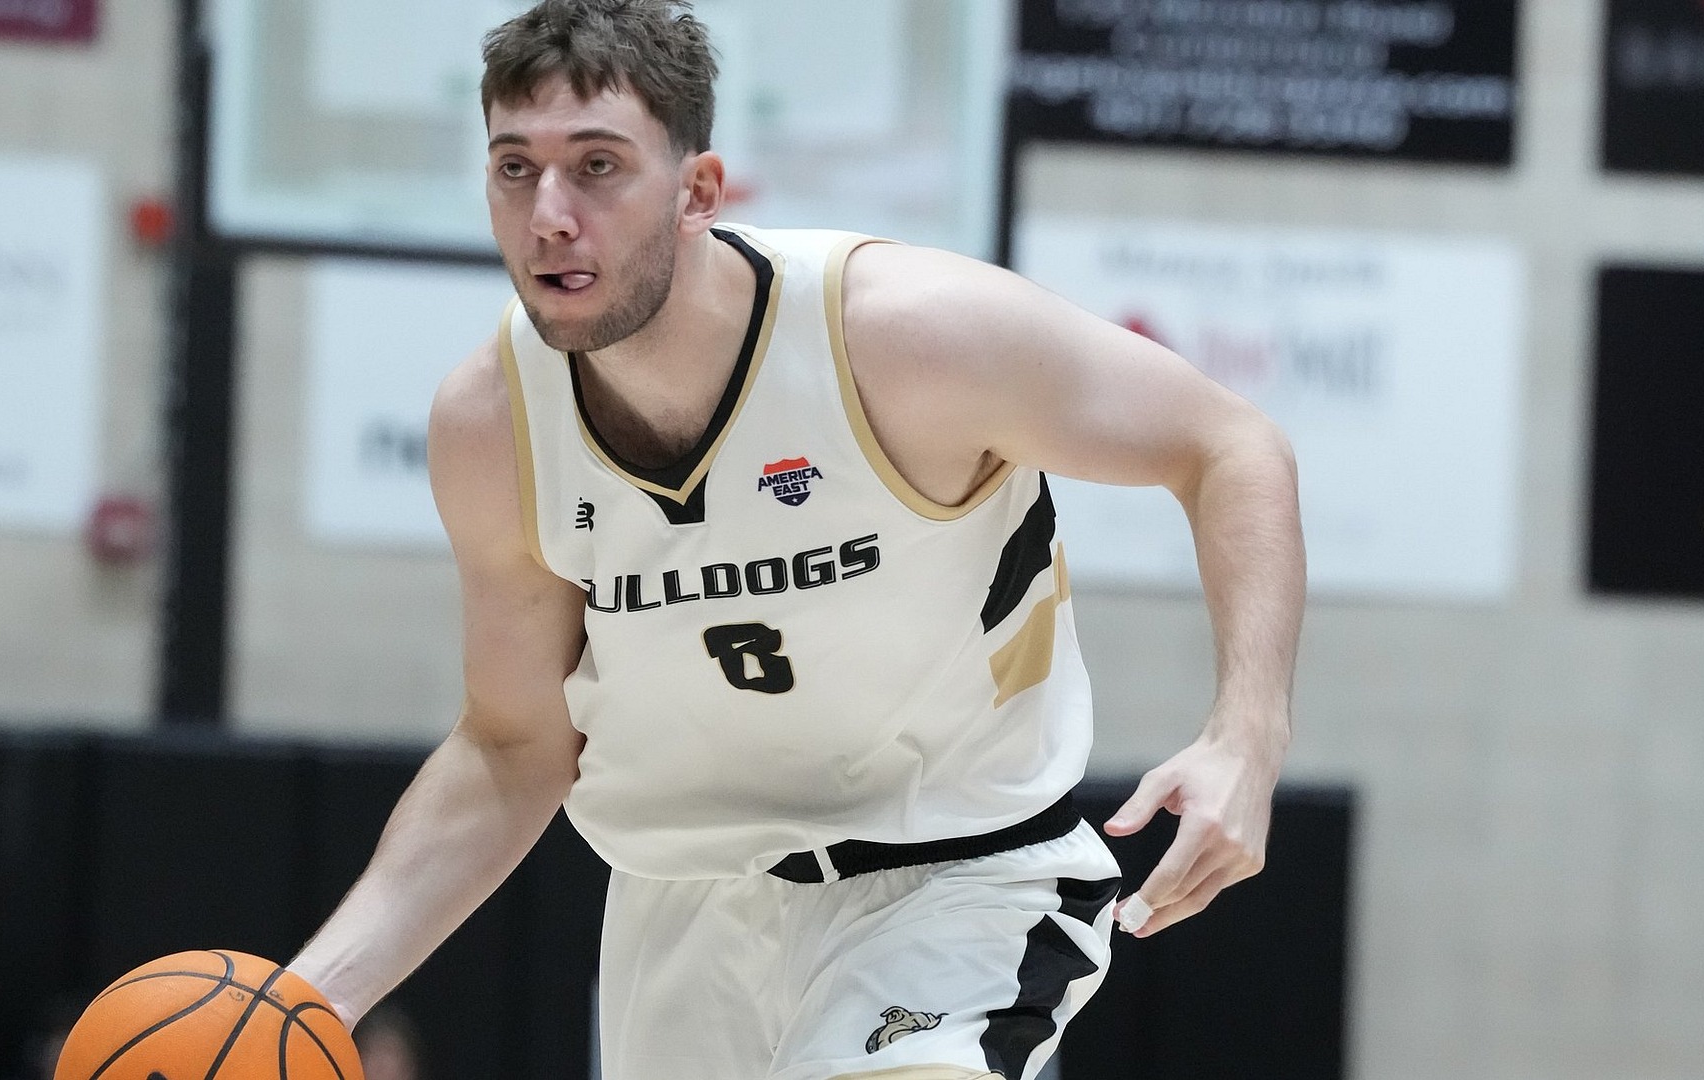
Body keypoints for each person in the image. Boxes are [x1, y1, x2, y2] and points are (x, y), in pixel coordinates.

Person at [288, 2, 1304, 1078]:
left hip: (953, 879)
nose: (549, 214)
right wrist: (307, 999)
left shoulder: (900, 335)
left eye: (597, 166)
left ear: (698, 193)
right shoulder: (492, 423)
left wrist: (1248, 739)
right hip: (681, 916)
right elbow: (515, 743)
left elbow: (1229, 445)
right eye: (513, 168)